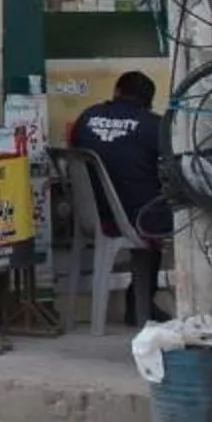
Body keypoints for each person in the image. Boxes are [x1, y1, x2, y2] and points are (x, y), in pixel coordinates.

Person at [73, 71, 171, 325]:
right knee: (167, 218)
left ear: (116, 91)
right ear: (148, 101)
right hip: (134, 219)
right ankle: (140, 304)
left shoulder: (87, 117)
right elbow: (172, 162)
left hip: (90, 214)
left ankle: (140, 302)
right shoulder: (152, 125)